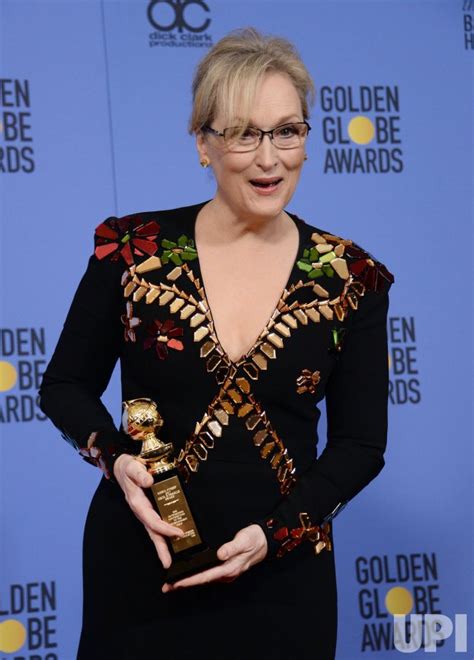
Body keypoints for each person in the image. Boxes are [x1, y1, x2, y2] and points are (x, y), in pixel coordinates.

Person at [39, 27, 394, 660]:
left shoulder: (350, 277)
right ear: (203, 142)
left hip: (284, 579)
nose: (269, 157)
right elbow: (64, 386)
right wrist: (117, 457)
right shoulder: (133, 252)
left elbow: (361, 445)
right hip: (143, 562)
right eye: (243, 133)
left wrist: (275, 536)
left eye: (288, 130)